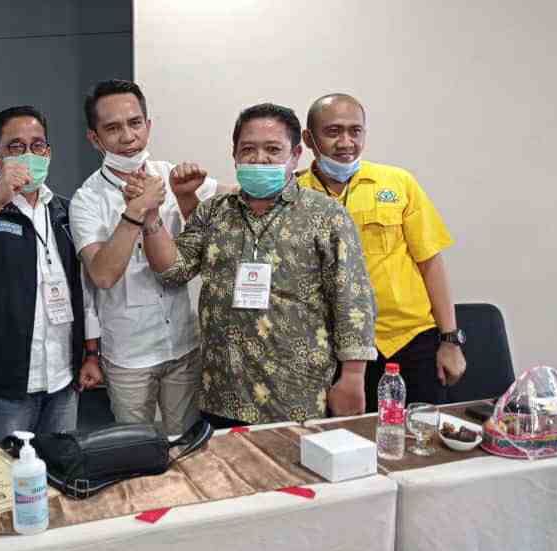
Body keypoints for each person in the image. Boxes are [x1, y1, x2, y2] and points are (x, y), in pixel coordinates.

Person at [143, 103, 377, 427]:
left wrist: (353, 376)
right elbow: (173, 271)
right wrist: (150, 217)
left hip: (297, 395)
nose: (259, 158)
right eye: (248, 149)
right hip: (221, 390)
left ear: (295, 155)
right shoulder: (214, 211)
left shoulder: (327, 216)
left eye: (273, 149)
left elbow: (353, 299)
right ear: (234, 154)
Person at [69, 79, 221, 435]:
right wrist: (137, 209)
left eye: (135, 123)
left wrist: (187, 198)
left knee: (186, 444)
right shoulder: (86, 199)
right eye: (113, 128)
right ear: (94, 138)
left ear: (148, 126)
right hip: (129, 354)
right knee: (136, 450)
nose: (128, 136)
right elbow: (102, 275)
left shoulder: (172, 176)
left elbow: (226, 205)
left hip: (183, 343)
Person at [0, 106, 101, 447]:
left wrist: (91, 354)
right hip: (5, 384)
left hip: (62, 377)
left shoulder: (64, 210)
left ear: (48, 153)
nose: (29, 154)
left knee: (61, 464)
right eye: (16, 147)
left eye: (38, 145)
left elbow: (85, 290)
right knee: (6, 470)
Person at [298, 93, 466, 410]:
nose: (346, 142)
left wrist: (450, 340)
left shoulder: (398, 182)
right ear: (309, 138)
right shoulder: (295, 195)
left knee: (420, 433)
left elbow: (430, 262)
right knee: (344, 436)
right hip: (335, 347)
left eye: (355, 131)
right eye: (333, 131)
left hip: (410, 339)